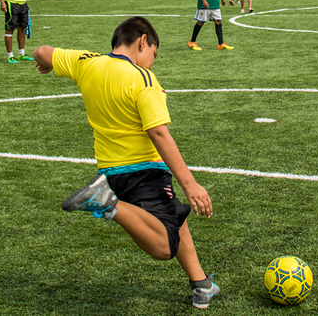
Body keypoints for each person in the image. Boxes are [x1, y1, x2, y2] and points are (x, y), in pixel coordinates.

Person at [30, 16, 220, 309]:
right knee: (164, 246)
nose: (152, 63)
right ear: (143, 41)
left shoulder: (87, 63)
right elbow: (158, 132)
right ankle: (107, 203)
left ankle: (201, 284)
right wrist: (191, 183)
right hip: (144, 170)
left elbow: (42, 51)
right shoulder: (142, 79)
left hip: (111, 171)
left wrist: (48, 63)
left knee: (175, 217)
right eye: (153, 55)